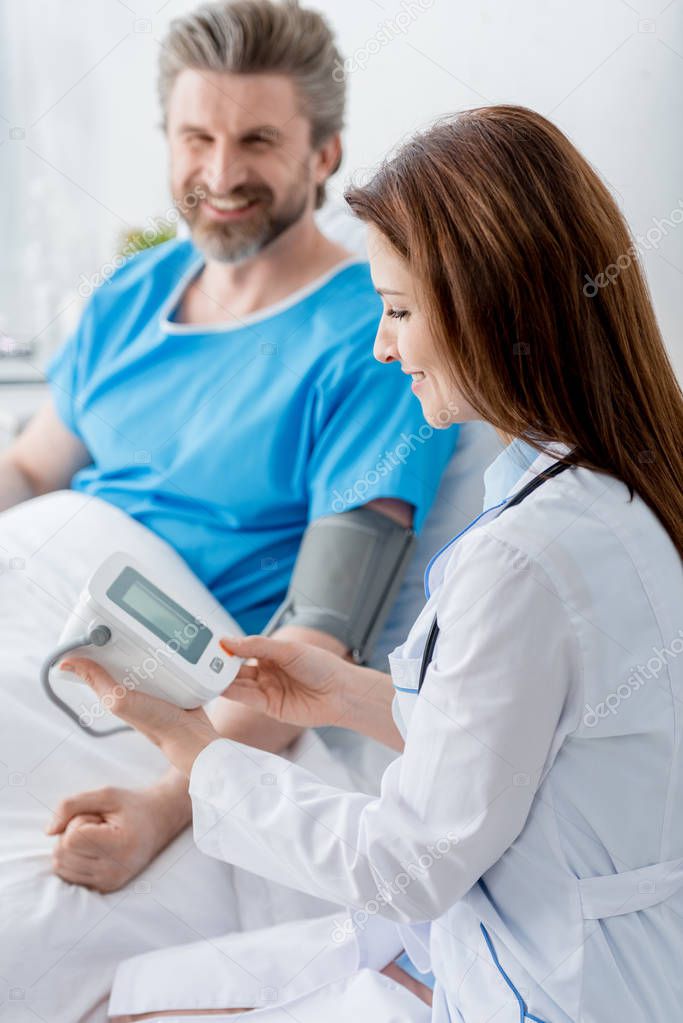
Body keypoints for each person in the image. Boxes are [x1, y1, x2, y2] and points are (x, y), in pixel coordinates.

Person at [60, 104, 683, 1023]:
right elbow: (520, 740)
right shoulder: (614, 491)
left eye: (395, 311)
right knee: (141, 994)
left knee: (125, 1005)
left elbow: (411, 863)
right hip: (553, 943)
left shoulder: (527, 560)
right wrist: (349, 694)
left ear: (491, 305)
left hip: (543, 986)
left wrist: (196, 761)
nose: (383, 346)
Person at [0, 0, 456, 891]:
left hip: (175, 679)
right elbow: (27, 468)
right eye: (195, 136)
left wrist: (175, 797)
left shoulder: (374, 339)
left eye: (256, 141)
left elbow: (321, 640)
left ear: (322, 154)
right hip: (43, 618)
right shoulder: (128, 295)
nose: (218, 172)